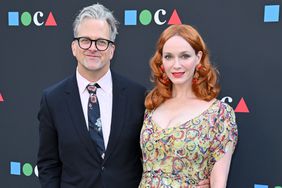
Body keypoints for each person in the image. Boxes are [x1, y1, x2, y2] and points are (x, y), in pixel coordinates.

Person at [37, 3, 146, 188]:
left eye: (101, 42)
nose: (93, 48)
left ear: (112, 50)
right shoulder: (53, 99)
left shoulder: (138, 96)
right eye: (85, 40)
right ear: (74, 47)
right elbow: (48, 164)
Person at [139, 24, 238, 188]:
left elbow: (219, 183)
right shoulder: (152, 107)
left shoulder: (219, 114)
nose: (176, 65)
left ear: (198, 57)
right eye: (169, 57)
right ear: (161, 60)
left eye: (184, 56)